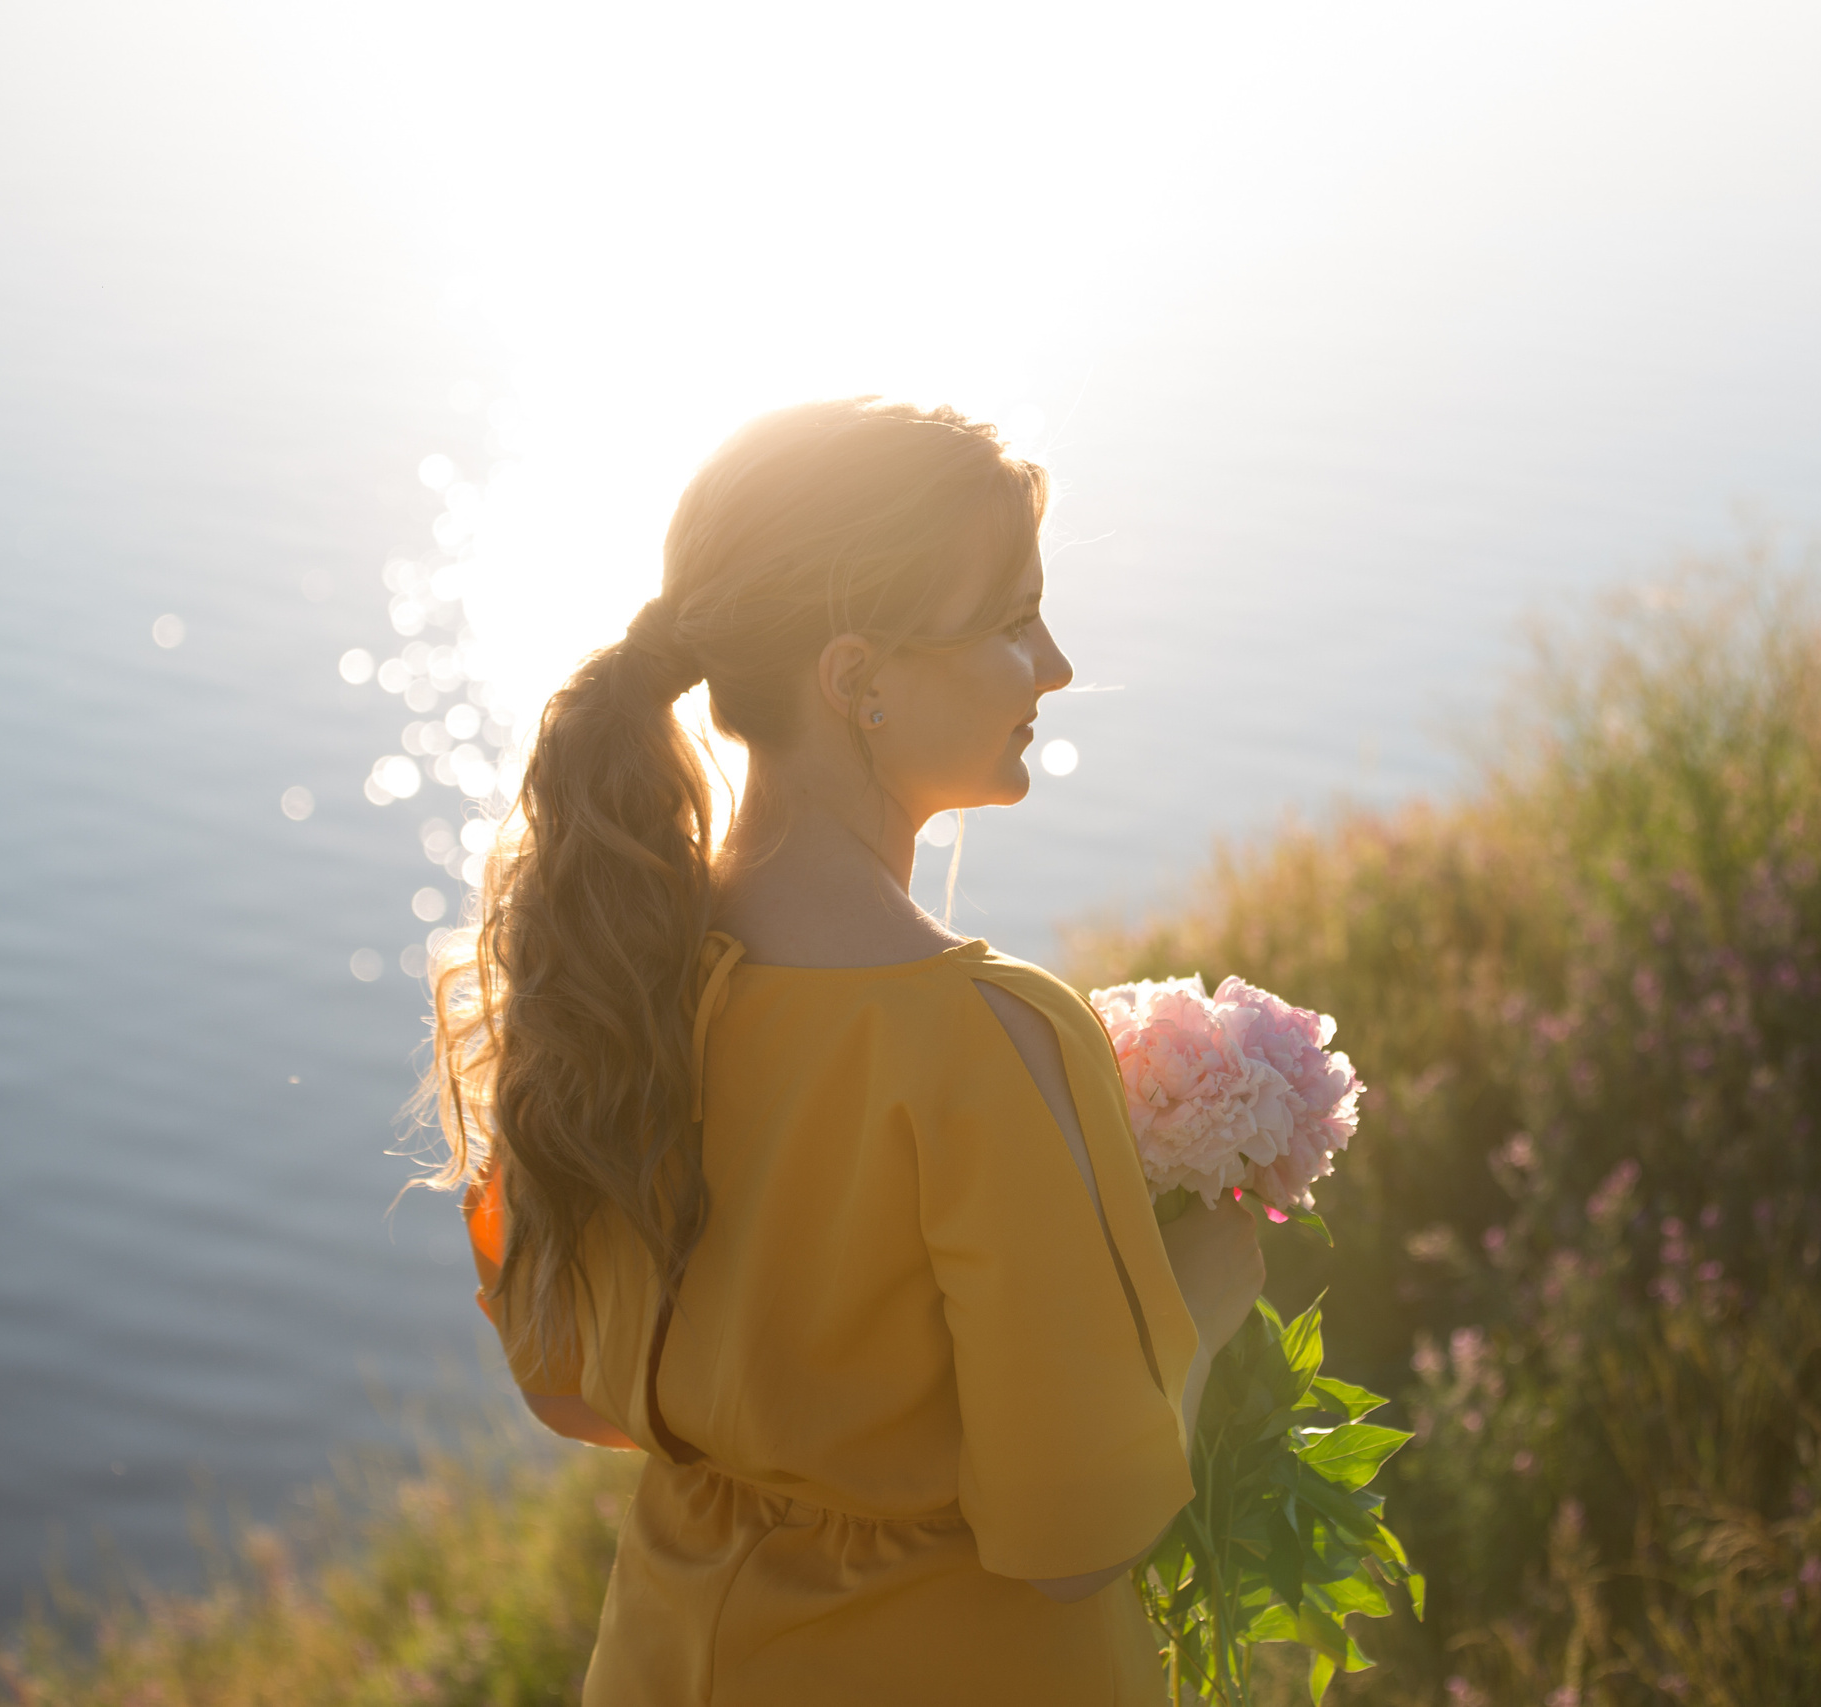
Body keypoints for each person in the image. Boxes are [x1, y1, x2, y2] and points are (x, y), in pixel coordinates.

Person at [425, 397, 1268, 1705]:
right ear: (856, 678)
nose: (1054, 665)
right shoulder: (985, 1039)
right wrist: (1203, 1302)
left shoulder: (615, 971)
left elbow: (570, 1386)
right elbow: (1075, 1537)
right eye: (1013, 622)